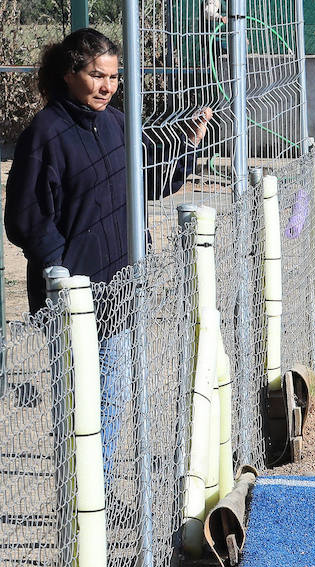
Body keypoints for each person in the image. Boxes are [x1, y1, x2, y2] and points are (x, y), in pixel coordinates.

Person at [4, 29, 210, 477]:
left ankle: (95, 489)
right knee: (79, 400)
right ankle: (79, 496)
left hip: (121, 288)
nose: (106, 86)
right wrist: (64, 269)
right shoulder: (45, 134)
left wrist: (189, 149)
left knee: (111, 393)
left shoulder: (116, 124)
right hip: (73, 295)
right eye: (97, 76)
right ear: (69, 74)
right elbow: (24, 219)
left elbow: (148, 186)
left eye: (113, 78)